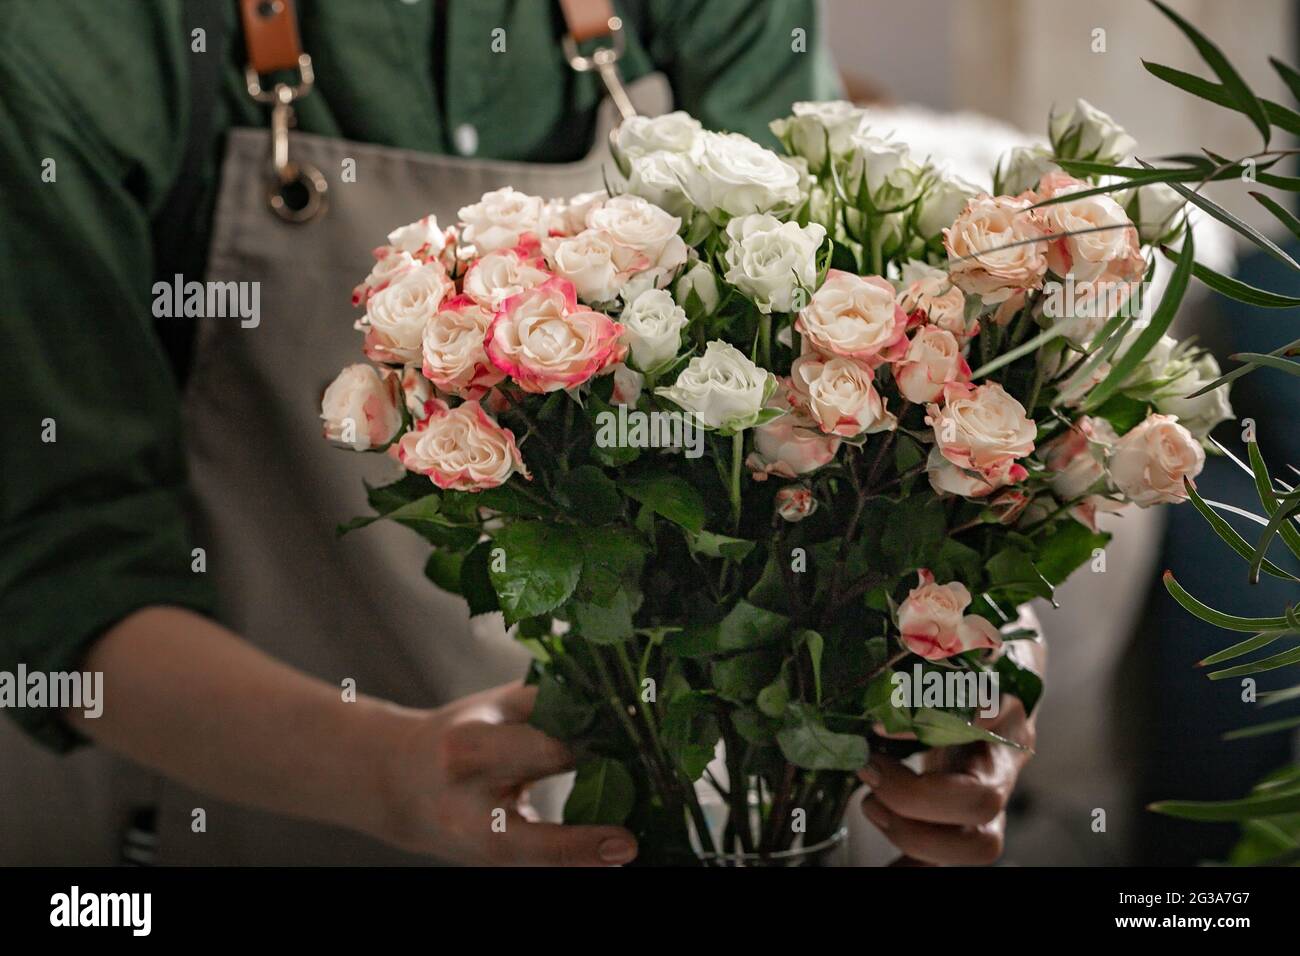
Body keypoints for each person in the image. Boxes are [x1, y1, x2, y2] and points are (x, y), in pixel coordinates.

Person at [0, 0, 1035, 866]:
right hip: (271, 810)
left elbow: (871, 374)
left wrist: (956, 668)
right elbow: (65, 573)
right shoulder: (85, 35)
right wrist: (390, 774)